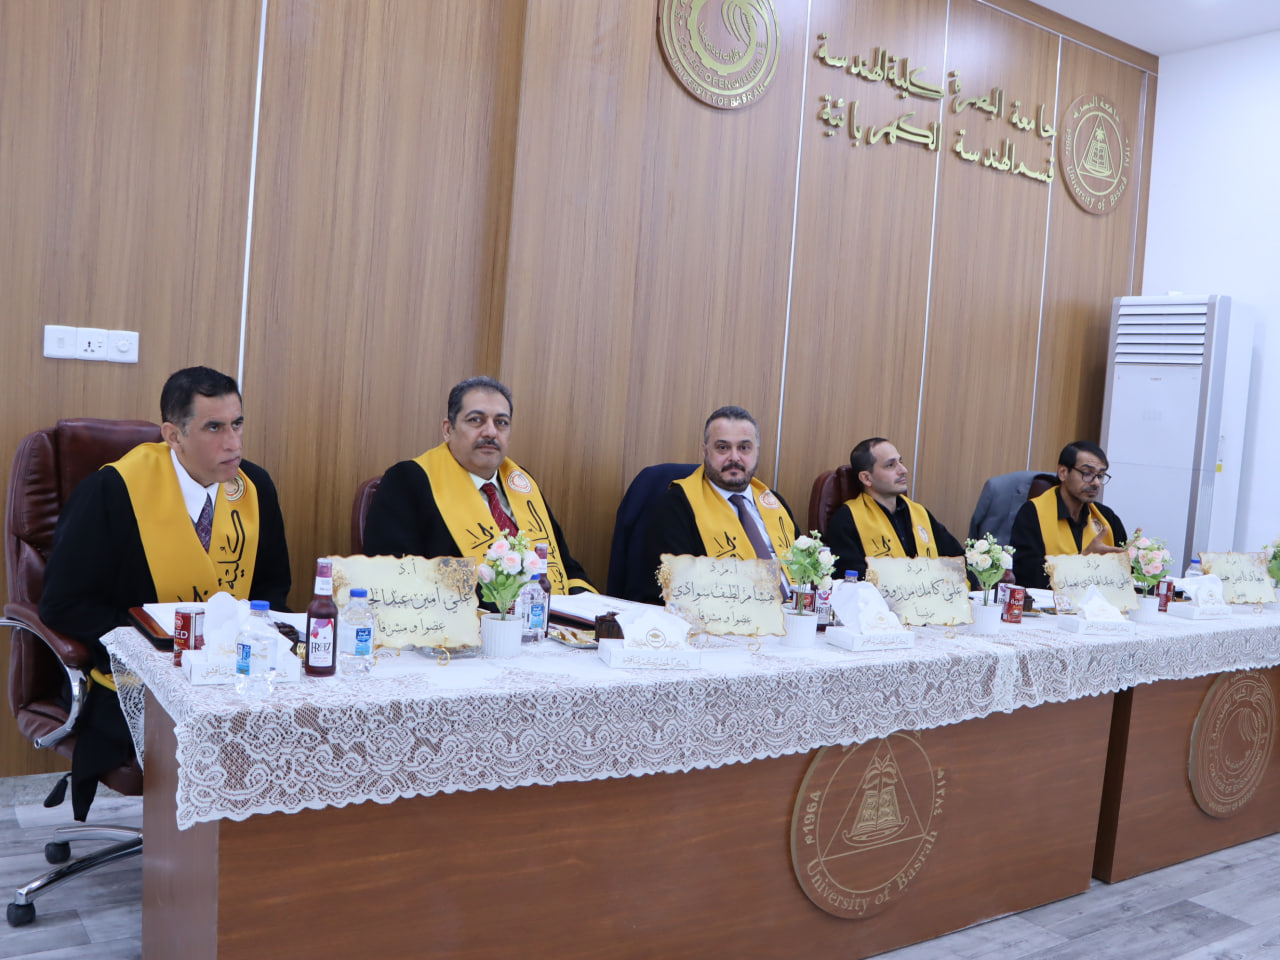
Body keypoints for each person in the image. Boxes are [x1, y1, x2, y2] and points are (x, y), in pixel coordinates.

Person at [39, 366, 291, 818]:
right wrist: (156, 640)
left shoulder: (254, 489)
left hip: (235, 672)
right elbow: (63, 605)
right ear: (173, 435)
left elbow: (273, 585)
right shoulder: (112, 492)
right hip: (139, 679)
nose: (233, 443)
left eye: (237, 424)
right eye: (214, 428)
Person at [362, 376, 594, 594]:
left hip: (543, 617)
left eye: (501, 423)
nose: (491, 432)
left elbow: (566, 568)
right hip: (462, 619)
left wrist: (585, 609)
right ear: (448, 429)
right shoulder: (408, 481)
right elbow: (396, 575)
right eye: (476, 420)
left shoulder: (522, 483)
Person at [636, 405, 797, 604]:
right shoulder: (677, 507)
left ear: (756, 451)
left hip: (796, 616)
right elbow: (670, 594)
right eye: (723, 447)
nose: (734, 457)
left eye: (744, 448)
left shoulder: (775, 503)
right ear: (705, 451)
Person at [825, 437, 969, 582]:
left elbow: (959, 560)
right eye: (890, 465)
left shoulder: (920, 513)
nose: (903, 470)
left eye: (901, 462)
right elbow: (851, 577)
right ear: (866, 478)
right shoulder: (848, 519)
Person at [1010, 440, 1128, 589]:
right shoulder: (1033, 513)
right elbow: (1026, 575)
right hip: (1049, 601)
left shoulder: (1106, 517)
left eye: (1100, 475)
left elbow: (1126, 573)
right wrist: (1082, 563)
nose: (1096, 483)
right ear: (1063, 473)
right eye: (1087, 473)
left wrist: (1140, 558)